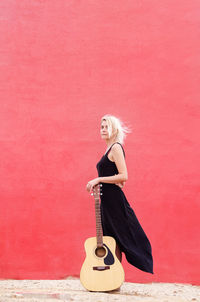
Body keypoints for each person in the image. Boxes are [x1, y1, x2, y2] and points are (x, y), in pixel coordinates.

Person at [86, 114, 153, 274]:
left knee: (118, 238)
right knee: (111, 241)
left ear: (114, 129)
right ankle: (112, 277)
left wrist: (98, 179)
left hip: (114, 202)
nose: (102, 130)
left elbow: (124, 176)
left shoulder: (116, 147)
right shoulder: (108, 149)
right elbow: (119, 180)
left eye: (106, 126)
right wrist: (104, 182)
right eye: (101, 127)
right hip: (106, 201)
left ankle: (115, 275)